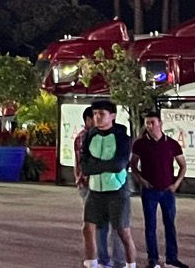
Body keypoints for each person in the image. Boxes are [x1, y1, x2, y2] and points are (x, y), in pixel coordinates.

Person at [78, 101, 137, 268]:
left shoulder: (121, 137)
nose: (97, 117)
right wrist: (103, 166)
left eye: (101, 114)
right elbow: (85, 167)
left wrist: (97, 165)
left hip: (117, 190)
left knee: (122, 231)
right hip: (95, 190)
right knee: (88, 228)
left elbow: (119, 164)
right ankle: (92, 263)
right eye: (95, 113)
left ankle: (130, 264)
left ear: (112, 116)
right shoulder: (90, 135)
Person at [128, 111, 185, 268]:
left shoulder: (171, 143)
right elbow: (133, 164)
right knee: (150, 226)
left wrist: (177, 183)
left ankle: (171, 258)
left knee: (170, 225)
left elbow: (182, 165)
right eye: (147, 123)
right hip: (150, 190)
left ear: (160, 123)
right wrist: (141, 179)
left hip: (167, 190)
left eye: (152, 122)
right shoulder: (140, 144)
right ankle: (152, 259)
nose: (150, 126)